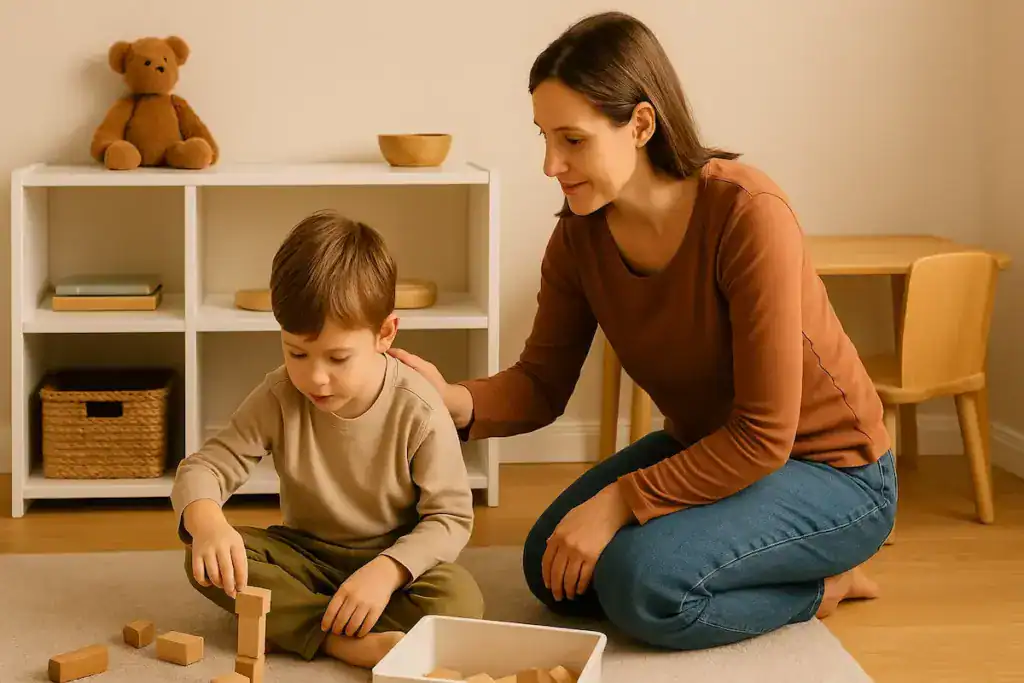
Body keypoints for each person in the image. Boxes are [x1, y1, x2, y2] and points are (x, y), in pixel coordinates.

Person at [390, 10, 897, 651]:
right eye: (543, 137)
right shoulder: (578, 237)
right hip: (710, 451)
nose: (549, 164)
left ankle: (827, 585)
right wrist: (450, 401)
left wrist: (620, 503)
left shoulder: (748, 215)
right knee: (552, 563)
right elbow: (542, 384)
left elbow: (767, 434)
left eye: (572, 140)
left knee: (642, 584)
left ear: (640, 124)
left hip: (833, 473)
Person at [170, 210, 484, 669]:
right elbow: (205, 467)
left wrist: (386, 572)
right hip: (305, 554)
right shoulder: (279, 394)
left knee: (459, 601)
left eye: (338, 358)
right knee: (207, 563)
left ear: (385, 333)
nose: (315, 377)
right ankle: (339, 639)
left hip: (392, 556)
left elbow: (451, 517)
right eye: (296, 352)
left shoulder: (418, 406)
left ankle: (292, 624)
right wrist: (209, 524)